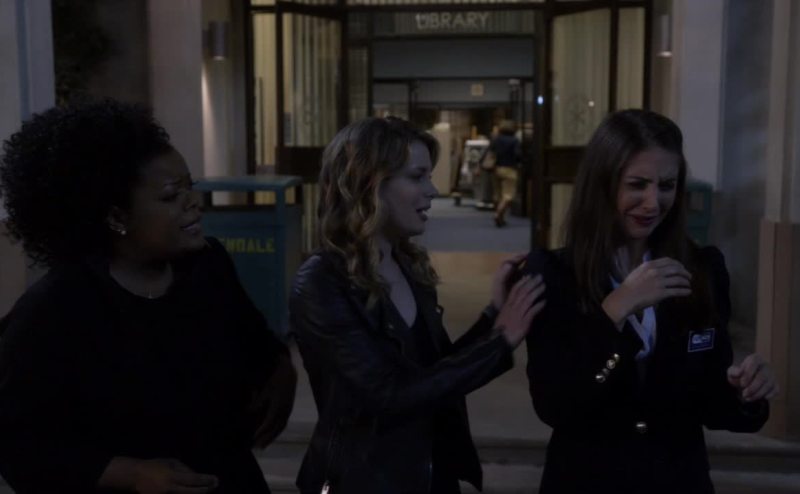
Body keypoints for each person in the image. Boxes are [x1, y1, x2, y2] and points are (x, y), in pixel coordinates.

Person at [0, 100, 296, 493]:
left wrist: (281, 371)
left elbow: (254, 340)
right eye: (171, 196)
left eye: (190, 187)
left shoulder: (208, 267)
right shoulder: (56, 310)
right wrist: (130, 473)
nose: (193, 203)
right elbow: (18, 444)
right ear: (116, 217)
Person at [524, 109, 779, 493]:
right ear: (602, 184)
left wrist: (746, 393)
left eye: (666, 185)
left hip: (678, 478)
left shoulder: (702, 269)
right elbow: (555, 405)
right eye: (637, 184)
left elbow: (711, 403)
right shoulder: (554, 274)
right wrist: (615, 309)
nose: (653, 202)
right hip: (587, 479)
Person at [290, 116, 546, 494]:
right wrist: (499, 342)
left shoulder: (406, 263)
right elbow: (389, 394)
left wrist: (493, 316)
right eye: (417, 177)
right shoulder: (321, 281)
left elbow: (436, 372)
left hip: (427, 472)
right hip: (365, 480)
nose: (432, 191)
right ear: (369, 183)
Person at [488, 120, 521, 227]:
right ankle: (498, 214)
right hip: (509, 169)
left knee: (497, 195)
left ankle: (501, 218)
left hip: (496, 169)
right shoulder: (514, 140)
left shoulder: (496, 139)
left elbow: (490, 153)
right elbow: (517, 154)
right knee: (508, 195)